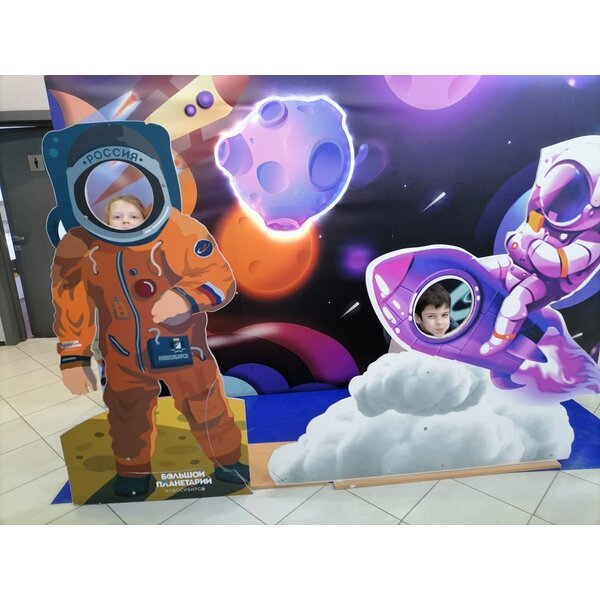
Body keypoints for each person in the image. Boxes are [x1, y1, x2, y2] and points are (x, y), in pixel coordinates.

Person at [52, 194, 249, 498]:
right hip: (122, 351)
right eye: (117, 217)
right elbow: (70, 304)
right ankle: (133, 471)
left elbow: (217, 277)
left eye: (133, 216)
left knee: (203, 401)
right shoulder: (82, 245)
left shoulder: (176, 229)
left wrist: (185, 297)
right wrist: (73, 357)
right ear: (102, 217)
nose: (125, 222)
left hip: (180, 343)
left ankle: (227, 461)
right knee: (126, 411)